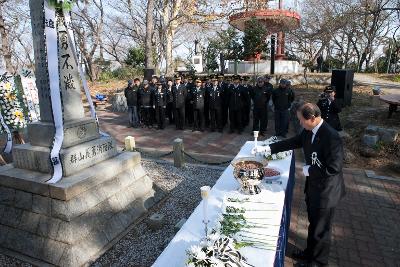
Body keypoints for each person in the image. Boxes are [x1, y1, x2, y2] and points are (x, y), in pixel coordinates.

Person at [252, 103, 346, 267]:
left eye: (302, 120)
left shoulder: (331, 136)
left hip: (326, 191)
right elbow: (294, 142)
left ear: (312, 118)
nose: (300, 124)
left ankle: (318, 262)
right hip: (314, 188)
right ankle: (309, 253)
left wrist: (311, 170)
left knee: (321, 230)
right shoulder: (310, 130)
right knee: (313, 224)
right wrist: (268, 148)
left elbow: (335, 167)